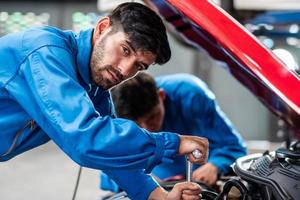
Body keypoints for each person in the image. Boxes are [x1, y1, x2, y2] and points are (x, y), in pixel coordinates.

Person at [0, 3, 209, 200]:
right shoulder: (44, 51)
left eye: (139, 66)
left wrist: (160, 195)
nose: (126, 70)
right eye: (125, 50)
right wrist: (173, 143)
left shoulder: (95, 90)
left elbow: (114, 158)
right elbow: (85, 139)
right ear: (102, 28)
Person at [101, 72, 246, 192]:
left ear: (162, 96)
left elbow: (234, 147)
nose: (148, 128)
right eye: (137, 125)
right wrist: (140, 182)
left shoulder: (190, 95)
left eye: (152, 117)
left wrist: (215, 165)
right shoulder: (114, 116)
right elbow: (111, 170)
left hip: (201, 185)